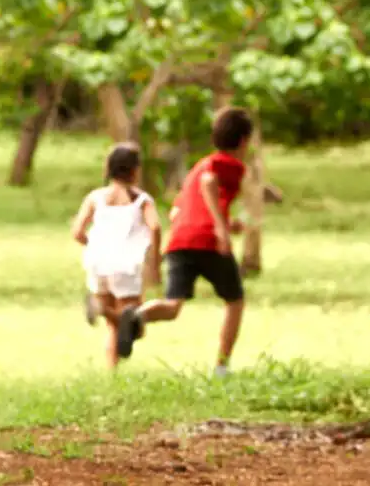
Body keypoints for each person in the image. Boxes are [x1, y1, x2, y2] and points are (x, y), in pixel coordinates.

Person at [117, 107, 253, 377]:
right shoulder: (230, 165)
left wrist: (226, 222)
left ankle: (137, 316)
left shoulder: (198, 165)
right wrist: (220, 228)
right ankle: (222, 366)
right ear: (244, 140)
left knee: (173, 306)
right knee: (235, 301)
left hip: (180, 240)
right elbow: (209, 183)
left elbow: (177, 211)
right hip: (209, 241)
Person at [70, 142, 160, 368]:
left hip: (98, 262)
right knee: (135, 326)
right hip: (126, 266)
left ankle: (112, 371)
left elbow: (77, 232)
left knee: (116, 325)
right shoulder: (141, 200)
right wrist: (154, 260)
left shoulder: (96, 197)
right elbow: (156, 227)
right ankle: (101, 310)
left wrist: (94, 245)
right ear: (135, 170)